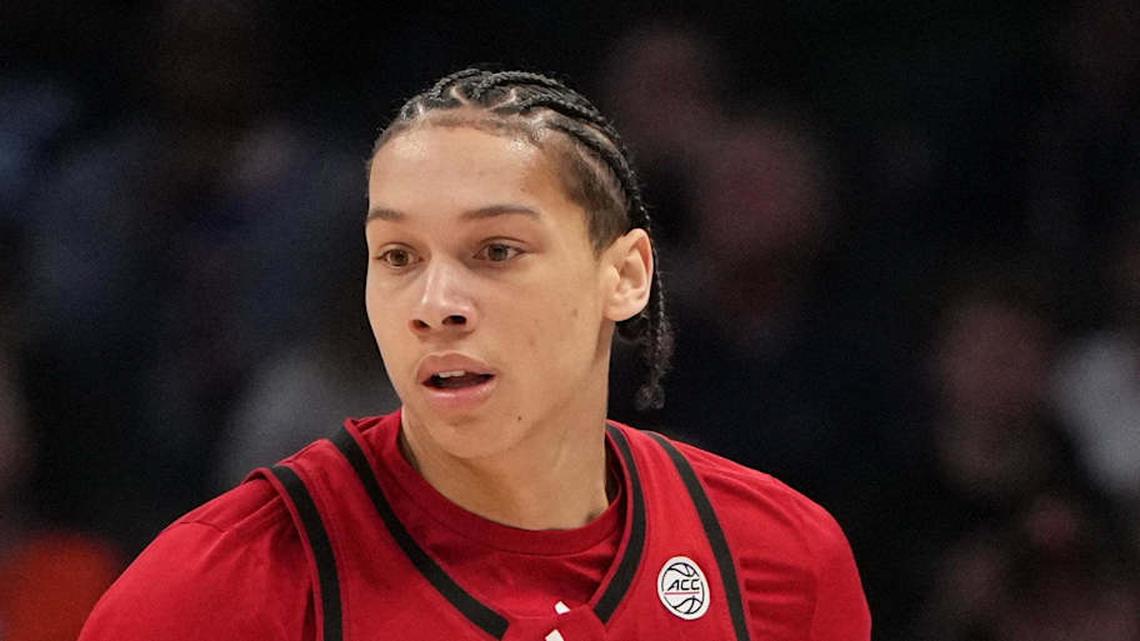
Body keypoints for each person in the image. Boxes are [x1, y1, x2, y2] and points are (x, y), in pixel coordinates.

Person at [79, 68, 870, 641]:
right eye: (398, 255)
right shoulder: (220, 586)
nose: (434, 304)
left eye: (496, 249)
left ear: (625, 275)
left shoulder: (782, 560)